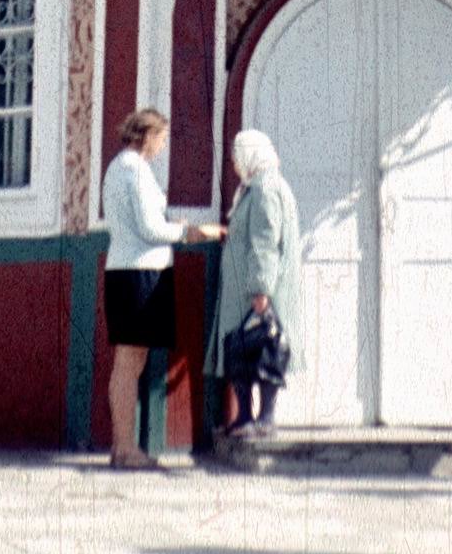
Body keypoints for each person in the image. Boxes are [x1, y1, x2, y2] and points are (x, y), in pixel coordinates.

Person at [100, 107, 220, 470]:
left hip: (125, 269)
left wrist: (171, 225)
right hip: (140, 273)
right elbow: (150, 230)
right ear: (147, 136)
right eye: (161, 139)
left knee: (127, 363)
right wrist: (188, 232)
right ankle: (125, 449)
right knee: (129, 363)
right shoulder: (135, 171)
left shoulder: (117, 168)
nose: (162, 146)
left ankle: (122, 448)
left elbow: (142, 224)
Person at [207, 128, 304, 434]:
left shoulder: (265, 189)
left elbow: (265, 240)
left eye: (237, 156)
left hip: (254, 289)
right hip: (243, 286)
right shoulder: (256, 186)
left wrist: (260, 288)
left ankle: (264, 417)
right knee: (242, 349)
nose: (235, 164)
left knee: (263, 347)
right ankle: (245, 416)